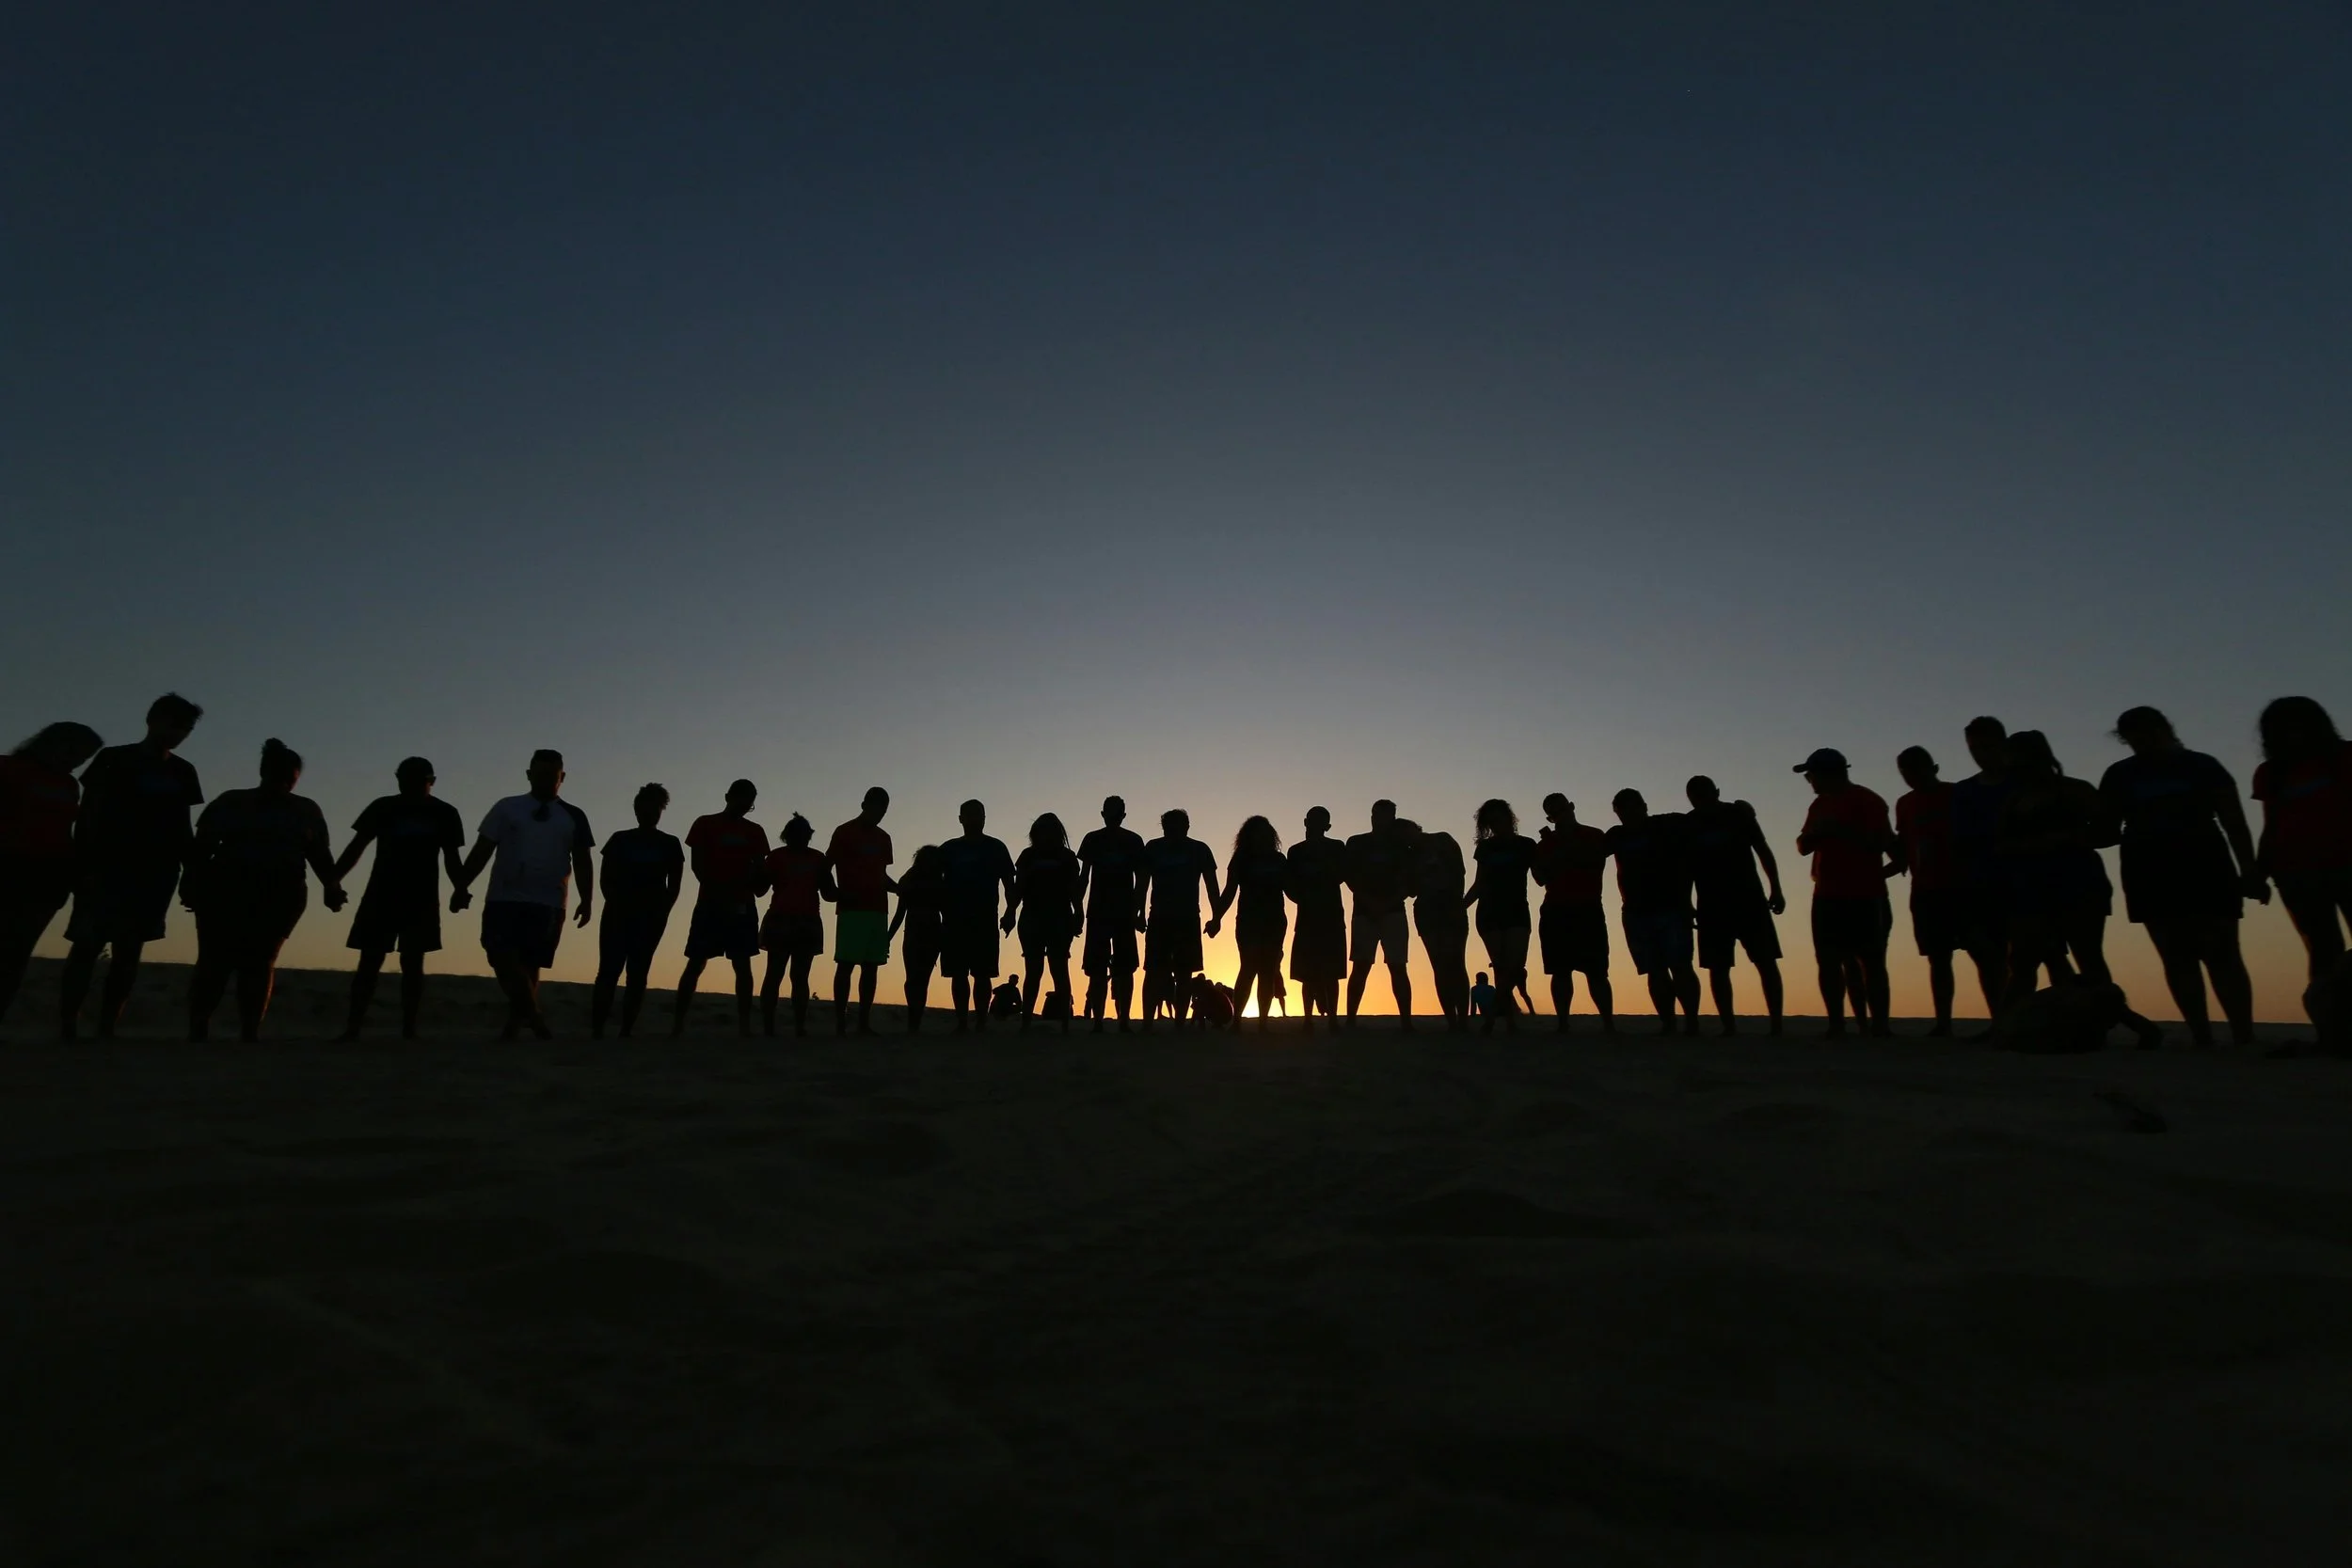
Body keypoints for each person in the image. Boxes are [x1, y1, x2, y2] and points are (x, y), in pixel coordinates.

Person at [2100, 707, 2265, 1051]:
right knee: (2176, 956)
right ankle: (2201, 1036)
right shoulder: (2119, 774)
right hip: (2148, 869)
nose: (2142, 740)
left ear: (2165, 729)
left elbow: (2234, 820)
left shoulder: (2203, 765)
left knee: (2222, 952)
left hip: (2206, 863)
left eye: (2148, 732)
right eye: (2133, 735)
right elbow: (2107, 828)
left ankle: (2243, 1035)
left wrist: (2249, 870)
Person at [59, 693, 204, 1039]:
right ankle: (68, 1025)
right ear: (153, 720)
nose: (178, 733)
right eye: (174, 724)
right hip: (106, 867)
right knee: (87, 945)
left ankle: (107, 1027)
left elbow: (182, 827)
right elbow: (88, 816)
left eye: (185, 729)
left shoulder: (183, 771)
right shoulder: (114, 759)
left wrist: (192, 872)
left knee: (129, 950)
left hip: (155, 873)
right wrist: (81, 865)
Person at [183, 739, 344, 1041]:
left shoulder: (305, 810)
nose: (283, 783)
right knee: (216, 960)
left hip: (280, 894)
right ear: (264, 772)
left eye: (289, 778)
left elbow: (319, 854)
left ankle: (248, 1031)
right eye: (278, 776)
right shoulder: (232, 802)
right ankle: (199, 1027)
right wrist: (190, 881)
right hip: (226, 890)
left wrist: (332, 886)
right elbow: (202, 848)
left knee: (258, 962)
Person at [454, 749, 594, 1040]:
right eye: (540, 774)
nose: (545, 780)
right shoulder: (507, 808)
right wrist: (462, 884)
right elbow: (482, 850)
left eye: (552, 776)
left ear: (562, 777)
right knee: (500, 956)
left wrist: (587, 899)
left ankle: (515, 1025)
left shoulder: (573, 816)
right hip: (504, 898)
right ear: (529, 775)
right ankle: (534, 1016)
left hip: (548, 901)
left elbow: (582, 860)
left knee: (530, 964)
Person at [332, 757, 467, 1040]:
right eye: (405, 781)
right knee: (369, 962)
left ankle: (409, 1028)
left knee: (413, 963)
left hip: (421, 897)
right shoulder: (383, 807)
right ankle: (353, 1027)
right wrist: (333, 880)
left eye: (418, 781)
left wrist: (460, 888)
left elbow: (452, 857)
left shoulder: (444, 813)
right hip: (381, 893)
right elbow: (357, 846)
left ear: (431, 782)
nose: (411, 787)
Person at [1994, 731, 2119, 1010]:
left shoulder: (2076, 790)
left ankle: (2102, 1018)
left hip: (2079, 883)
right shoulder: (2014, 800)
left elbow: (2109, 832)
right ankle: (2008, 1023)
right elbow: (2000, 845)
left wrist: (2065, 839)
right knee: (2023, 960)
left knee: (2087, 956)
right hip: (2031, 888)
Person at [2253, 696, 2352, 1033]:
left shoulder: (2346, 757)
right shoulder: (2272, 773)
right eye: (2281, 728)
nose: (2291, 734)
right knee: (2322, 948)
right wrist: (2259, 872)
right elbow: (2272, 825)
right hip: (2296, 870)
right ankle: (2331, 1027)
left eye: (2298, 725)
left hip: (2347, 863)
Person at [0, 722, 103, 1031]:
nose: (77, 761)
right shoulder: (8, 769)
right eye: (75, 753)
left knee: (16, 954)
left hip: (47, 878)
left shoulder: (68, 785)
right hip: (8, 868)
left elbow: (66, 830)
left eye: (84, 758)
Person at [1793, 748, 1897, 1037]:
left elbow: (1882, 843)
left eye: (1811, 776)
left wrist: (1841, 830)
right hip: (1827, 894)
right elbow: (1802, 845)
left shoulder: (1868, 801)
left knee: (1871, 961)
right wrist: (1816, 835)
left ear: (1828, 774)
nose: (1810, 782)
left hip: (1865, 894)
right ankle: (1836, 1023)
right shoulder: (1819, 805)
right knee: (1828, 961)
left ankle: (1879, 1025)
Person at [1683, 777, 1787, 1036]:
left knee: (1765, 961)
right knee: (1718, 967)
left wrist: (1776, 887)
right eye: (1696, 797)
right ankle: (1729, 1026)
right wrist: (1687, 901)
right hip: (1712, 904)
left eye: (1704, 795)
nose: (1701, 801)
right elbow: (1686, 868)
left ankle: (1776, 1024)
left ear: (1716, 793)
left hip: (1748, 899)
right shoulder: (1689, 823)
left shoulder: (1738, 815)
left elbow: (1762, 850)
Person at [673, 780, 770, 1037]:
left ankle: (744, 1027)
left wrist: (757, 882)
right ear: (728, 797)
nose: (744, 806)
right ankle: (678, 1024)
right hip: (711, 903)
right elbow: (697, 866)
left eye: (749, 803)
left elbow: (761, 869)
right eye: (741, 800)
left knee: (742, 965)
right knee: (696, 962)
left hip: (742, 905)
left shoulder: (755, 831)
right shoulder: (705, 824)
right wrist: (719, 889)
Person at [592, 784, 683, 1038]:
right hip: (617, 913)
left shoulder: (669, 843)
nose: (648, 813)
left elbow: (674, 886)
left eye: (654, 808)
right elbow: (605, 878)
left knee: (638, 972)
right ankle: (597, 1028)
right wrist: (616, 902)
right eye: (644, 808)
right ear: (636, 809)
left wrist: (662, 911)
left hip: (650, 916)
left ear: (661, 811)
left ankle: (626, 1030)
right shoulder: (619, 839)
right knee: (609, 970)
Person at [1606, 789, 1700, 1034]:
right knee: (1655, 971)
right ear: (1618, 813)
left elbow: (1699, 818)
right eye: (1623, 811)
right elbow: (1590, 851)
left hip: (1672, 908)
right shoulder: (1617, 835)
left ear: (1644, 806)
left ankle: (1691, 1021)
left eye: (1633, 808)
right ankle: (1668, 1022)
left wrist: (1738, 809)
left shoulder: (1666, 824)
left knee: (1681, 966)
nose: (1629, 814)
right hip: (1636, 912)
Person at [1890, 747, 1965, 1036]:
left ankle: (1999, 1017)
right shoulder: (1905, 803)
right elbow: (1904, 846)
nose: (1911, 777)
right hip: (1925, 889)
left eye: (1916, 770)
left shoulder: (1957, 795)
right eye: (1905, 773)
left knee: (1984, 951)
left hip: (1962, 886)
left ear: (1933, 768)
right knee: (1938, 957)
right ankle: (1943, 1022)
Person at [1947, 716, 2014, 1025]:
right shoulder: (1965, 791)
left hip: (2026, 881)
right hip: (1979, 883)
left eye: (1988, 747)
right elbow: (1958, 840)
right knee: (1987, 956)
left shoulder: (2023, 784)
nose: (1982, 754)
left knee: (2040, 955)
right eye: (1975, 749)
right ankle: (2001, 1021)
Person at [1532, 794, 1613, 1034]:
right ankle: (1563, 1023)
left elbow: (1595, 863)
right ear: (1550, 818)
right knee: (1560, 971)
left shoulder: (1594, 835)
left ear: (1571, 807)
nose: (1561, 816)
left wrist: (1562, 850)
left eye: (1562, 810)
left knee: (1597, 971)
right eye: (1555, 814)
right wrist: (1555, 852)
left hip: (1588, 908)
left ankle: (1608, 1024)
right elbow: (1540, 877)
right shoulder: (1545, 845)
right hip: (1557, 910)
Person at [1137, 808, 1221, 1029]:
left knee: (1184, 973)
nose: (1173, 832)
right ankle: (1147, 1023)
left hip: (1188, 919)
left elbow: (1212, 886)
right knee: (1154, 971)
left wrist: (1217, 917)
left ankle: (1180, 1024)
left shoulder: (1199, 849)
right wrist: (1138, 912)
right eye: (1169, 827)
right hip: (1159, 918)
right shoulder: (1153, 848)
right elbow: (1142, 883)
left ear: (1187, 827)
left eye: (1178, 827)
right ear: (1164, 828)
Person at [938, 800, 1017, 1032]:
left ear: (984, 818)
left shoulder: (996, 847)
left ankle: (981, 1021)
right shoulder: (949, 849)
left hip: (985, 919)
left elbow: (1009, 884)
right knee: (958, 973)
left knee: (983, 974)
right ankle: (962, 1021)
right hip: (954, 920)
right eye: (970, 815)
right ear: (960, 819)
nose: (974, 819)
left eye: (979, 815)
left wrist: (1010, 912)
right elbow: (930, 876)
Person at [825, 787, 896, 1036]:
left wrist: (898, 889)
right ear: (864, 804)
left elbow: (882, 874)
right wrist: (833, 892)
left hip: (878, 909)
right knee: (845, 964)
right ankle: (840, 1022)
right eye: (876, 808)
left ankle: (863, 1023)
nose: (879, 814)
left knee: (871, 966)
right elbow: (827, 865)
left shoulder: (884, 838)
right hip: (852, 910)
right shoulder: (844, 832)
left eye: (883, 811)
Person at [1464, 799, 1537, 1034]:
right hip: (1489, 911)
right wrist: (1461, 906)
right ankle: (1508, 1022)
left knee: (1515, 966)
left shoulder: (1526, 845)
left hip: (1517, 910)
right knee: (1500, 966)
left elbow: (1539, 876)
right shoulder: (1486, 848)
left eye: (1500, 818)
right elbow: (1479, 883)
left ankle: (1495, 1013)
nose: (1496, 824)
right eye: (1491, 821)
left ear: (1509, 818)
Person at [1209, 814, 1289, 1029]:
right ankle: (1237, 1020)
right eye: (1256, 833)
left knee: (1268, 971)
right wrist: (1216, 918)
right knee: (1248, 969)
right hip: (1248, 921)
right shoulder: (1241, 860)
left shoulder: (1278, 860)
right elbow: (1229, 891)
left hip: (1274, 921)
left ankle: (1263, 1022)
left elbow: (1290, 888)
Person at [757, 814, 833, 1037]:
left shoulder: (815, 859)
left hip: (801, 921)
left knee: (793, 976)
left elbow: (829, 893)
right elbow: (760, 888)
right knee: (780, 975)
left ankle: (792, 1026)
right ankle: (775, 1026)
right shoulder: (778, 857)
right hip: (786, 920)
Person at [1075, 797, 1147, 1032]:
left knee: (1125, 969)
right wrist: (1078, 909)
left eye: (1116, 813)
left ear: (1123, 815)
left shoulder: (1133, 841)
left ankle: (1123, 1020)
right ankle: (1099, 1021)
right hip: (1098, 912)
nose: (1113, 817)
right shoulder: (1093, 839)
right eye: (1110, 813)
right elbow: (1084, 878)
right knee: (1097, 969)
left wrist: (1138, 911)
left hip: (1123, 914)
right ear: (1103, 814)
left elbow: (1141, 879)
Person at [1007, 812, 1082, 1030]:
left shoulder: (1067, 857)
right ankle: (1027, 1021)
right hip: (1033, 916)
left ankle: (1065, 1022)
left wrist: (1079, 912)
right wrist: (1010, 911)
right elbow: (1019, 887)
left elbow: (1074, 889)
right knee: (1034, 970)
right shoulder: (1028, 856)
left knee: (1059, 970)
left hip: (1059, 917)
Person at [1343, 800, 1416, 1026]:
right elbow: (1349, 876)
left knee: (1398, 966)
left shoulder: (1401, 848)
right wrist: (1369, 901)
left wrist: (1388, 903)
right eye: (1379, 815)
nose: (1383, 820)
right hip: (1364, 912)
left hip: (1393, 911)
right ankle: (1351, 1019)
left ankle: (1406, 1021)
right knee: (1361, 966)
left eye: (1388, 816)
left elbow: (1408, 881)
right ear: (1372, 816)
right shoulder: (1356, 843)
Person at [1404, 816, 1472, 1029]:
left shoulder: (1442, 839)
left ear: (1415, 828)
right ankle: (1452, 1020)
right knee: (1439, 966)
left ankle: (1462, 1019)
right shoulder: (1408, 856)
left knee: (1456, 962)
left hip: (1450, 906)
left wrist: (1457, 903)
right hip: (1427, 910)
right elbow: (1411, 890)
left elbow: (1459, 872)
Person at [1285, 806, 1348, 1028]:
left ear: (1327, 826)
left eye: (1319, 822)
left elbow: (1342, 874)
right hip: (1308, 918)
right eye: (1312, 821)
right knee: (1307, 974)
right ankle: (1308, 1019)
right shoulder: (1296, 852)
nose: (1314, 826)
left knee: (1331, 973)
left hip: (1331, 917)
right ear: (1305, 822)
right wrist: (1303, 899)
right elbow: (1289, 884)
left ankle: (1332, 1018)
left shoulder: (1336, 847)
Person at [886, 843, 946, 1033]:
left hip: (920, 932)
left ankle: (914, 1020)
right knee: (920, 979)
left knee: (914, 979)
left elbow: (900, 913)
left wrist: (888, 937)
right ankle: (915, 1020)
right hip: (926, 932)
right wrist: (888, 937)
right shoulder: (936, 881)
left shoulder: (914, 879)